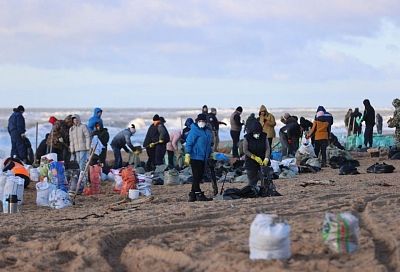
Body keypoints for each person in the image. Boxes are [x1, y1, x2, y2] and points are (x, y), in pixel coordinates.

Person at [184, 113, 213, 202]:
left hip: (203, 157)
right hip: (195, 156)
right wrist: (187, 154)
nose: (201, 122)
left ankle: (192, 195)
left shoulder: (208, 131)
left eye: (203, 121)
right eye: (200, 121)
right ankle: (198, 193)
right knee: (197, 176)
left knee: (199, 176)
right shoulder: (194, 130)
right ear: (197, 121)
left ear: (206, 122)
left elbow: (209, 144)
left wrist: (210, 153)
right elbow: (189, 142)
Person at [243, 119, 271, 187]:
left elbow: (267, 148)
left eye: (258, 133)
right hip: (251, 161)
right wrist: (254, 157)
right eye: (255, 133)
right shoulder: (247, 138)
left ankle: (264, 190)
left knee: (265, 179)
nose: (257, 134)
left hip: (263, 159)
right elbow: (245, 150)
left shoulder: (264, 136)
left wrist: (266, 158)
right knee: (252, 181)